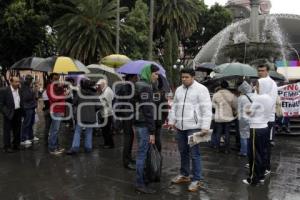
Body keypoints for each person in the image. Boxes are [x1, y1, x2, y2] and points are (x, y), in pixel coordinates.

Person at [168, 68, 212, 192]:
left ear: (193, 77)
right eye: (182, 77)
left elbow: (206, 108)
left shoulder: (201, 89)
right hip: (180, 127)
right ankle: (184, 174)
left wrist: (205, 126)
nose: (184, 79)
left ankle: (197, 179)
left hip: (194, 127)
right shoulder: (179, 89)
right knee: (183, 152)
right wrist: (171, 122)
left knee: (195, 154)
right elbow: (174, 107)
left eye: (186, 77)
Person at [242, 79, 273, 185]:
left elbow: (250, 113)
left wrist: (246, 110)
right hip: (264, 127)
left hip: (256, 128)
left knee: (254, 155)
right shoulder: (269, 97)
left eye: (258, 86)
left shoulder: (259, 98)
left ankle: (253, 179)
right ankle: (261, 176)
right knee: (263, 153)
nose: (256, 87)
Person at [134, 64, 159, 194]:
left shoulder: (139, 84)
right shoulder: (145, 87)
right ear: (149, 73)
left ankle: (143, 178)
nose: (157, 76)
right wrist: (152, 131)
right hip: (144, 124)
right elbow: (148, 110)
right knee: (142, 154)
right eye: (155, 74)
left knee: (142, 153)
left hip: (139, 123)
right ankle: (139, 183)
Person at [66, 79, 100, 155]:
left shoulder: (79, 93)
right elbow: (98, 106)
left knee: (78, 131)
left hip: (80, 115)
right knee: (89, 132)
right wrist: (93, 110)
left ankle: (75, 148)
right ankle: (88, 148)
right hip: (91, 116)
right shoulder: (94, 94)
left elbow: (74, 102)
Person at [257, 64, 278, 176]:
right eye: (259, 71)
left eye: (263, 70)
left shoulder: (271, 84)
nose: (260, 73)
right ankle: (260, 163)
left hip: (267, 119)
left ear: (267, 71)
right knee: (261, 144)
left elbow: (270, 102)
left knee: (266, 144)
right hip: (260, 119)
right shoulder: (261, 83)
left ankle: (267, 167)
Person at [115, 74, 138, 170]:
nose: (137, 79)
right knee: (128, 138)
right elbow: (128, 101)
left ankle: (129, 158)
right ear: (131, 78)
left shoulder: (125, 86)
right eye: (135, 77)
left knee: (130, 135)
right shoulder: (127, 88)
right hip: (126, 114)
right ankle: (126, 162)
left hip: (125, 114)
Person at [212, 80, 237, 154]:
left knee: (218, 132)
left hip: (219, 116)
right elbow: (234, 105)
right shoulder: (231, 95)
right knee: (227, 133)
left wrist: (217, 107)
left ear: (221, 86)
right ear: (227, 87)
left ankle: (217, 147)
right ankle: (226, 149)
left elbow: (212, 104)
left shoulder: (216, 95)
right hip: (228, 117)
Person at [0, 76, 22, 153]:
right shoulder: (4, 90)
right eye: (16, 82)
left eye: (18, 82)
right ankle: (7, 146)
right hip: (9, 113)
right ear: (11, 82)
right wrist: (6, 113)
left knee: (17, 129)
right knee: (7, 130)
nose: (17, 83)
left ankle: (16, 144)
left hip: (18, 112)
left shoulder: (19, 90)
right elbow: (1, 104)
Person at [47, 73, 66, 155]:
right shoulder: (50, 87)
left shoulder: (58, 87)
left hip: (59, 110)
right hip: (55, 110)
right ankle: (52, 148)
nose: (57, 80)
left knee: (55, 130)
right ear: (51, 79)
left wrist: (62, 90)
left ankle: (56, 146)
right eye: (55, 79)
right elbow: (54, 98)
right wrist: (63, 94)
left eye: (58, 78)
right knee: (55, 130)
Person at [19, 75, 38, 147]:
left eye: (31, 79)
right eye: (30, 79)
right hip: (27, 108)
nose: (31, 81)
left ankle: (31, 136)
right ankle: (23, 139)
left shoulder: (29, 87)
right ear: (26, 80)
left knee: (31, 123)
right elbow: (26, 97)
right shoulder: (24, 87)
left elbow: (33, 97)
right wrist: (33, 93)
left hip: (31, 107)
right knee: (26, 123)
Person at [237, 80, 255, 157]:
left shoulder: (241, 97)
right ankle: (251, 150)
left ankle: (244, 151)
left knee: (243, 135)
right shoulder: (255, 96)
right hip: (253, 118)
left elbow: (238, 109)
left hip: (243, 118)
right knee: (252, 135)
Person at [97, 79, 115, 149]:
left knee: (107, 130)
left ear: (103, 84)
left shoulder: (107, 91)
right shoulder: (104, 90)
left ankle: (110, 144)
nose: (98, 86)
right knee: (104, 130)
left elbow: (103, 103)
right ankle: (106, 143)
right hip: (104, 113)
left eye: (99, 85)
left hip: (107, 114)